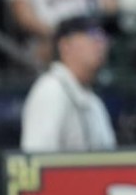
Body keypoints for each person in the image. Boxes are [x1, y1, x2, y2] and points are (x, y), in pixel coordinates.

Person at [20, 15, 116, 153]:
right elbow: (36, 161)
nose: (101, 43)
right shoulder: (50, 90)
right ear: (65, 45)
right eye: (92, 34)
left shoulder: (94, 101)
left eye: (104, 36)